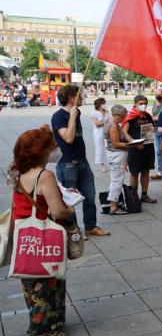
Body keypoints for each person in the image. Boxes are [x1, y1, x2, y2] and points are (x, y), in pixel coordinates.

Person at [9, 127, 76, 336]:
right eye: (51, 145)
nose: (54, 149)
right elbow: (57, 211)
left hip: (24, 237)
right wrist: (70, 210)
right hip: (44, 237)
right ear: (41, 151)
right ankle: (39, 331)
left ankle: (51, 323)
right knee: (47, 281)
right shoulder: (44, 175)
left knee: (32, 283)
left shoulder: (19, 173)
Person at [51, 84, 109, 237]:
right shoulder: (58, 117)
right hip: (67, 164)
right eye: (80, 95)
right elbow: (69, 138)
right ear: (71, 97)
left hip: (82, 162)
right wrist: (71, 117)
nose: (82, 97)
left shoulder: (77, 112)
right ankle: (74, 231)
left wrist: (74, 115)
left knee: (89, 196)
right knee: (70, 200)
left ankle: (90, 226)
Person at [104, 105, 139, 215]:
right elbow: (115, 143)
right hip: (116, 155)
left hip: (115, 155)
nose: (124, 119)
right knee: (117, 181)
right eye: (123, 117)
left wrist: (134, 142)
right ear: (116, 115)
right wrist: (130, 145)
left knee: (115, 179)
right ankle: (113, 206)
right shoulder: (113, 126)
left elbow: (124, 135)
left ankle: (111, 203)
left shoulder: (113, 123)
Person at [123, 95, 157, 204]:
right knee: (134, 173)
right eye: (140, 103)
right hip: (135, 149)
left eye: (145, 103)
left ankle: (144, 195)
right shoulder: (130, 117)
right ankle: (134, 196)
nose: (143, 105)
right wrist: (134, 143)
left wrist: (153, 129)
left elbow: (152, 129)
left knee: (146, 172)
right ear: (135, 104)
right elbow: (124, 132)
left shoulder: (147, 116)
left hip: (148, 148)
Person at [151, 90, 162, 179]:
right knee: (158, 151)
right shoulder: (154, 103)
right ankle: (161, 171)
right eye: (157, 94)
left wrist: (156, 118)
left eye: (161, 94)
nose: (159, 95)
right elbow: (154, 116)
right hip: (156, 129)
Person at [91, 97, 109, 172]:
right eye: (104, 103)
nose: (105, 104)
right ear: (99, 104)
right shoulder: (94, 112)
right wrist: (106, 122)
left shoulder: (107, 111)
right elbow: (97, 124)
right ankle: (102, 165)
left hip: (107, 131)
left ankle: (111, 162)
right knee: (99, 148)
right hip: (98, 132)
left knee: (108, 146)